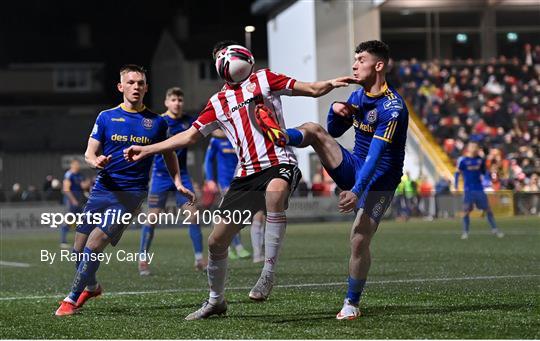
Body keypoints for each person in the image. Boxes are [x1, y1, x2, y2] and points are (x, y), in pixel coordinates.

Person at [123, 41, 358, 320]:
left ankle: (268, 273)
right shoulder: (216, 103)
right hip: (245, 174)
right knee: (216, 241)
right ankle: (215, 301)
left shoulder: (265, 79)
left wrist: (331, 83)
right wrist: (147, 149)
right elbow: (189, 137)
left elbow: (310, 89)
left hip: (279, 161)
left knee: (275, 195)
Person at [257, 40, 407, 320]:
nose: (354, 65)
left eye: (361, 59)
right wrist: (337, 111)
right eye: (354, 59)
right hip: (352, 166)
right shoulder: (358, 96)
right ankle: (280, 135)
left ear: (379, 65)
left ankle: (352, 302)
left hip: (379, 182)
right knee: (314, 130)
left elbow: (376, 157)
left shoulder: (393, 108)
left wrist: (356, 190)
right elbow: (334, 132)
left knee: (359, 239)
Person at [54, 65, 194, 316]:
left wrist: (177, 182)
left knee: (95, 243)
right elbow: (89, 152)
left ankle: (71, 299)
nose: (136, 87)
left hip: (131, 194)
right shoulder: (106, 117)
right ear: (120, 87)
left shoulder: (157, 122)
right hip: (103, 188)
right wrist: (94, 161)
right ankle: (93, 286)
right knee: (78, 247)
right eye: (130, 83)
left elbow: (169, 152)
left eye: (140, 83)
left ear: (146, 88)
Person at [138, 87, 206, 275]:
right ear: (166, 102)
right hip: (160, 176)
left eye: (179, 100)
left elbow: (207, 130)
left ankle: (199, 259)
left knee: (193, 215)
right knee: (152, 218)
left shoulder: (189, 121)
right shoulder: (158, 122)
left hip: (182, 175)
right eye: (173, 100)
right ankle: (143, 259)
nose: (177, 103)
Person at [204, 130, 254, 261]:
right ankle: (235, 247)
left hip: (239, 179)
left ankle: (231, 246)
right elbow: (208, 161)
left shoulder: (237, 138)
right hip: (224, 182)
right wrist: (210, 179)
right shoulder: (215, 141)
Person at [455, 141, 504, 239]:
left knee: (488, 209)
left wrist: (487, 181)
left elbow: (484, 172)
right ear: (468, 149)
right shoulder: (463, 161)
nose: (475, 149)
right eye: (472, 147)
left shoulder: (480, 160)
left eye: (476, 147)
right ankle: (465, 232)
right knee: (465, 211)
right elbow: (457, 173)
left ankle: (494, 229)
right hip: (468, 190)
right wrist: (455, 186)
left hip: (479, 189)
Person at [60, 159, 86, 248]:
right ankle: (63, 241)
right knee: (69, 219)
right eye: (76, 164)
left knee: (82, 220)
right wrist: (73, 200)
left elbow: (83, 186)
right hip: (71, 201)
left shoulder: (80, 175)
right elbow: (66, 189)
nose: (78, 166)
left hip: (79, 200)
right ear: (72, 165)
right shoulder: (69, 174)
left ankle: (81, 241)